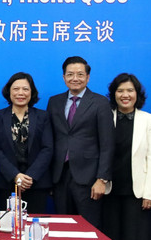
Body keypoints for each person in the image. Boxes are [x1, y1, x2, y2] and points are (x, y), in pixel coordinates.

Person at [46, 55, 114, 229]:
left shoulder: (100, 103)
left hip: (89, 177)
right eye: (70, 74)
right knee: (63, 226)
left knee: (89, 228)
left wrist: (102, 179)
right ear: (64, 77)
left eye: (79, 74)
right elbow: (50, 140)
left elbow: (107, 144)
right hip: (60, 176)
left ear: (88, 77)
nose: (74, 78)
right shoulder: (54, 102)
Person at [100, 73, 151, 240]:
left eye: (130, 90)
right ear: (114, 94)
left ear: (137, 94)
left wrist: (150, 193)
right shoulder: (104, 117)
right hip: (109, 189)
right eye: (120, 91)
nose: (125, 95)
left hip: (138, 192)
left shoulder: (149, 120)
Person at [0, 72, 53, 215]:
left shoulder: (43, 116)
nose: (20, 93)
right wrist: (15, 175)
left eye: (25, 89)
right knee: (9, 226)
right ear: (9, 92)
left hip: (36, 182)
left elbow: (47, 148)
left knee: (35, 225)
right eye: (16, 89)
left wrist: (30, 176)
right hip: (7, 181)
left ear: (32, 92)